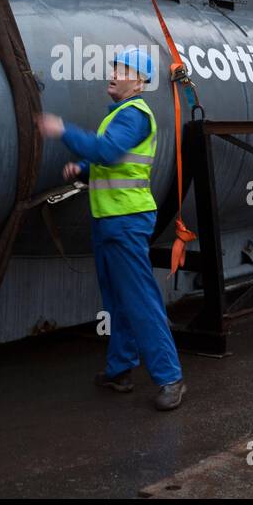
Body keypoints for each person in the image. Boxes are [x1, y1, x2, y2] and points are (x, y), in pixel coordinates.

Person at [36, 47, 187, 411]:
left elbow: (108, 151)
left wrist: (63, 131)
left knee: (140, 299)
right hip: (109, 221)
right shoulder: (119, 114)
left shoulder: (134, 114)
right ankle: (120, 370)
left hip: (126, 222)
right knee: (117, 299)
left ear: (138, 82)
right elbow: (109, 161)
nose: (114, 73)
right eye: (115, 67)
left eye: (123, 69)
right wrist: (84, 170)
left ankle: (171, 377)